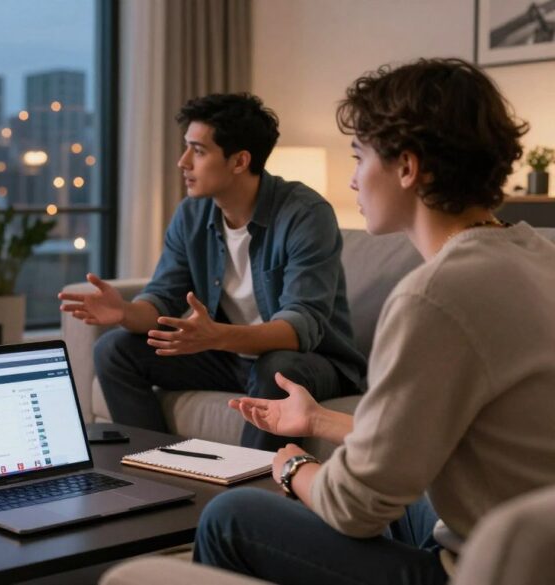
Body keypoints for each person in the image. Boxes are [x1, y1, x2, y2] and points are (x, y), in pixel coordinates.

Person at [193, 58, 555, 585]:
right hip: (532, 551)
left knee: (228, 518)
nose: (353, 179)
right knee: (409, 502)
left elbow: (353, 507)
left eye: (359, 157)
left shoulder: (435, 296)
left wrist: (293, 468)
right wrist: (318, 422)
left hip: (477, 569)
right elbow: (439, 434)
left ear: (407, 168)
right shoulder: (535, 254)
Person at [58, 93, 366, 450]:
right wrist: (124, 312)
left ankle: (248, 495)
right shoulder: (192, 214)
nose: (182, 162)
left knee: (276, 369)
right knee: (115, 350)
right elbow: (162, 299)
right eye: (186, 148)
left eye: (198, 151)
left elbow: (300, 328)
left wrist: (215, 335)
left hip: (314, 362)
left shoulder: (305, 214)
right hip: (230, 358)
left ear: (239, 161)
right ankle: (158, 469)